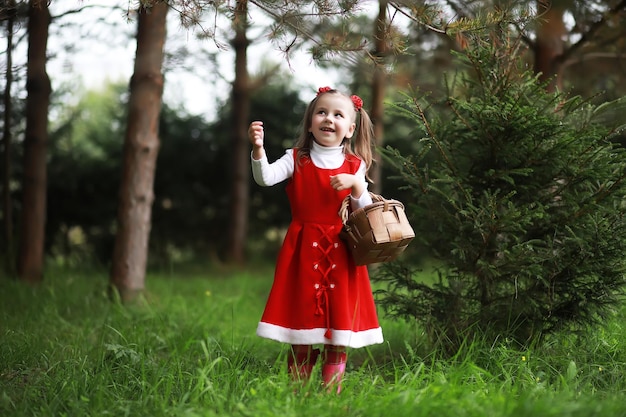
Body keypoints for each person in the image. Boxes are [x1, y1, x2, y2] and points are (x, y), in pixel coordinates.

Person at [248, 86, 384, 394]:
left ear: (350, 128)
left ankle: (330, 396)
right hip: (303, 251)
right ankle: (299, 393)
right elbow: (265, 177)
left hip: (342, 254)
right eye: (321, 112)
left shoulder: (354, 166)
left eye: (338, 115)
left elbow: (365, 213)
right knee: (303, 326)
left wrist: (356, 186)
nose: (328, 119)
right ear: (310, 122)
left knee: (338, 329)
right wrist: (258, 151)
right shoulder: (296, 159)